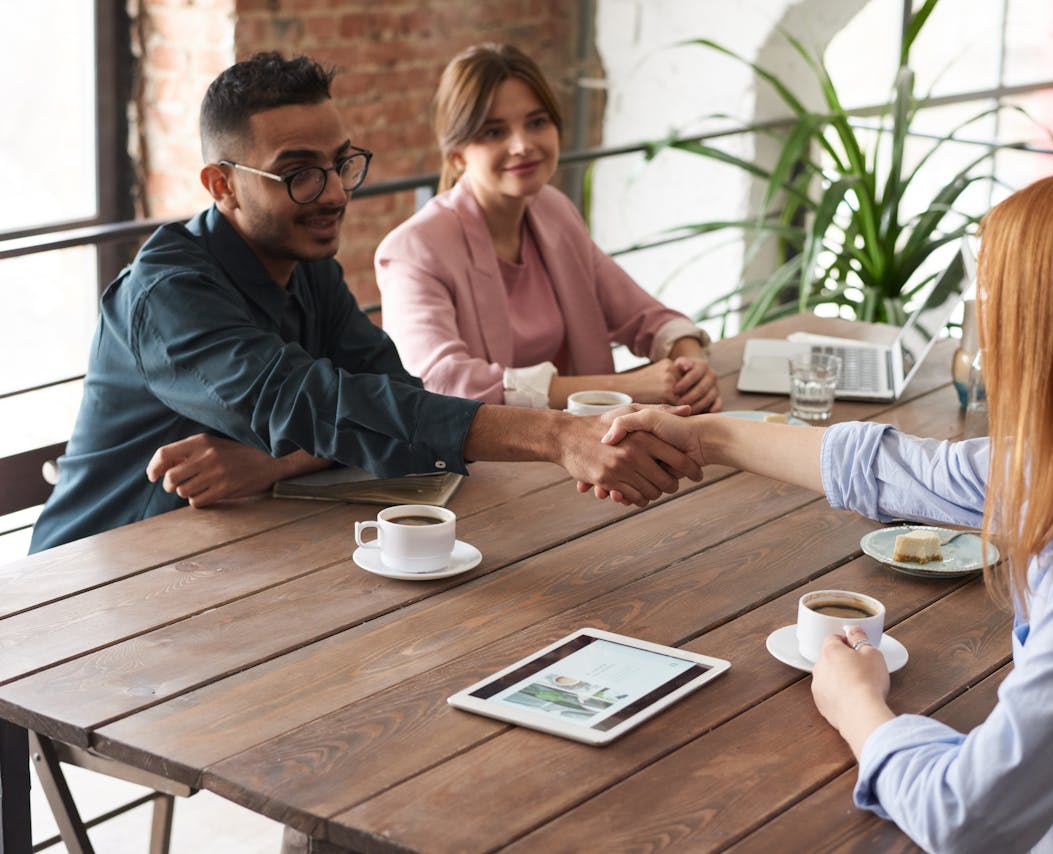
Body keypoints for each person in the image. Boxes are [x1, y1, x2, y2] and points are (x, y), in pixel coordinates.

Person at [599, 163, 1053, 850]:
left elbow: (964, 819)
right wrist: (706, 436)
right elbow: (902, 471)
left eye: (993, 303)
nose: (979, 332)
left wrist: (856, 702)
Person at [29, 52, 699, 554]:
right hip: (88, 589)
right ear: (222, 185)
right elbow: (312, 403)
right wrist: (555, 436)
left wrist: (273, 461)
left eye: (341, 163)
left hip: (227, 559)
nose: (333, 194)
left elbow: (390, 391)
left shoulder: (302, 261)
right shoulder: (168, 295)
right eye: (298, 174)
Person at [374, 43, 721, 413]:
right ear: (457, 156)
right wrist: (622, 387)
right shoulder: (413, 248)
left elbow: (642, 315)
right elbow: (444, 381)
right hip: (485, 460)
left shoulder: (554, 211)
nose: (522, 145)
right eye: (494, 132)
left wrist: (690, 362)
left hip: (588, 443)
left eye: (537, 122)